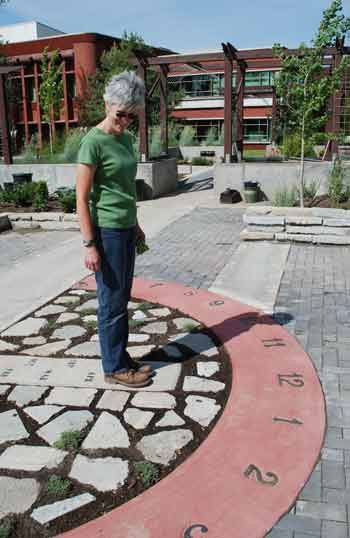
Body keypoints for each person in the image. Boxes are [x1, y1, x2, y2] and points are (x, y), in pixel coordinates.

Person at [76, 70, 152, 388]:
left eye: (131, 117)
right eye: (121, 114)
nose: (124, 122)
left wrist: (135, 224)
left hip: (123, 229)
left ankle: (120, 357)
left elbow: (124, 187)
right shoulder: (92, 142)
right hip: (106, 232)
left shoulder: (124, 140)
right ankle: (114, 368)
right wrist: (89, 244)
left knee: (121, 298)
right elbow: (81, 198)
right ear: (108, 104)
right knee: (111, 301)